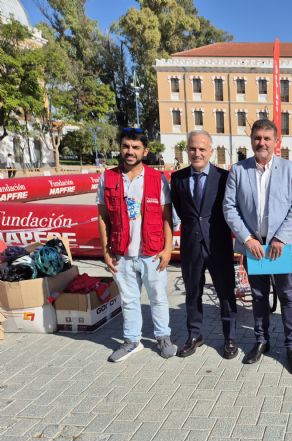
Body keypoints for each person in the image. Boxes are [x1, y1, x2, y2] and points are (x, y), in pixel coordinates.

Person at [223, 119, 292, 374]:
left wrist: (281, 238)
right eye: (258, 138)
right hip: (254, 247)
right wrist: (247, 239)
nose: (262, 143)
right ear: (251, 140)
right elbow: (229, 207)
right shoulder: (238, 171)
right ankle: (262, 341)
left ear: (275, 142)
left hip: (279, 248)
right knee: (258, 296)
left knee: (287, 296)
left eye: (267, 138)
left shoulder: (291, 170)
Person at [97, 127, 177, 362]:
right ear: (120, 148)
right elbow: (102, 217)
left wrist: (167, 249)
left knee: (158, 297)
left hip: (152, 252)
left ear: (145, 151)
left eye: (135, 147)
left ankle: (163, 337)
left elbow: (167, 217)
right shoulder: (108, 178)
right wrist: (105, 250)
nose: (130, 151)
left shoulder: (157, 179)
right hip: (121, 252)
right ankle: (132, 340)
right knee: (129, 299)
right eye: (126, 146)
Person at [171, 131, 238, 359]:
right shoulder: (177, 178)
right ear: (187, 150)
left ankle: (230, 337)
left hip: (218, 246)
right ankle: (194, 335)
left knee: (225, 293)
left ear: (211, 151)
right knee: (193, 293)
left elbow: (231, 208)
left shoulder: (224, 177)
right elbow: (182, 210)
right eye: (192, 149)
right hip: (191, 247)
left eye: (202, 149)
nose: (197, 153)